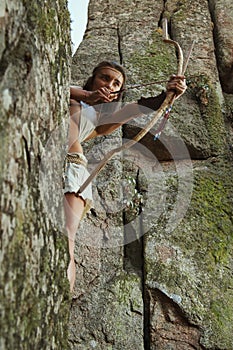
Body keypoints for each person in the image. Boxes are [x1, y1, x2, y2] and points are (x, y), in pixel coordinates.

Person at [63, 61, 187, 292]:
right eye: (104, 78)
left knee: (66, 237)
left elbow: (139, 107)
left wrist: (170, 93)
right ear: (92, 79)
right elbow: (54, 87)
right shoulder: (66, 91)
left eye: (116, 83)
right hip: (41, 162)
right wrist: (87, 95)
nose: (109, 84)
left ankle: (59, 301)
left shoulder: (100, 119)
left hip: (72, 167)